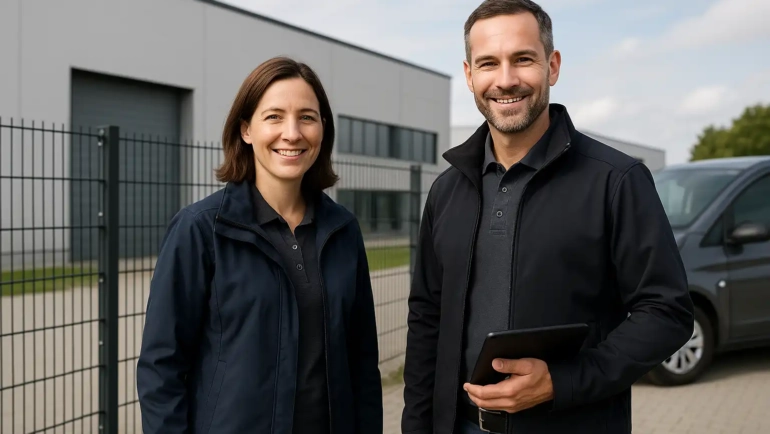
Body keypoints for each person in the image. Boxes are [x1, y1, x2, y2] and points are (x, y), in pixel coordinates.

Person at [401, 1, 694, 433]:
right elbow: (426, 317)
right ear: (469, 76)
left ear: (552, 66)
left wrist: (563, 381)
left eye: (523, 59)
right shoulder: (447, 190)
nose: (505, 80)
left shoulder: (617, 180)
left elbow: (666, 312)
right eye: (488, 63)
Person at [136, 56, 383, 434]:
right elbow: (161, 368)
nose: (292, 132)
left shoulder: (343, 231)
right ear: (246, 130)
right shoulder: (201, 229)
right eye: (273, 117)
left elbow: (363, 364)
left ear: (322, 129)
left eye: (306, 117)